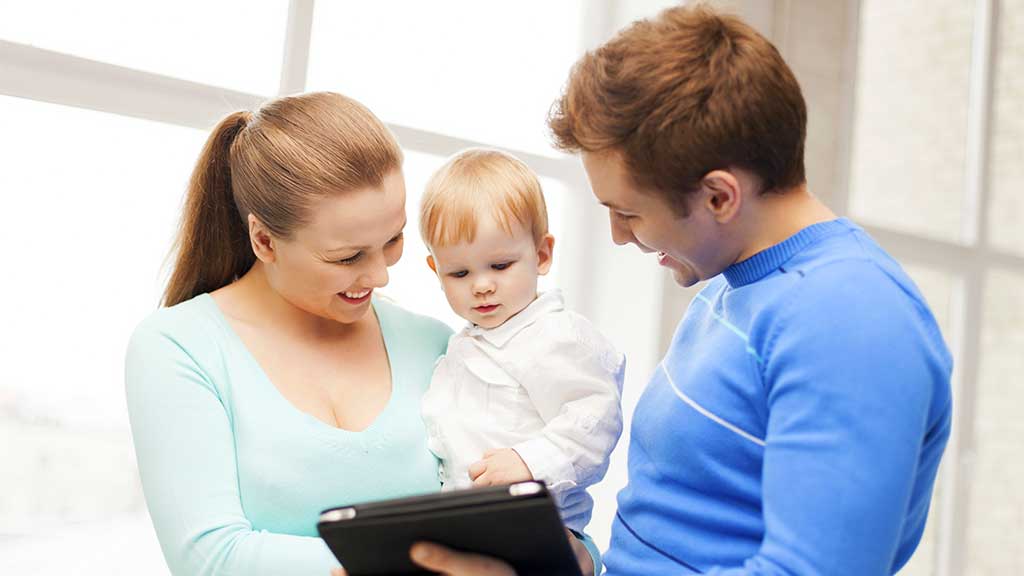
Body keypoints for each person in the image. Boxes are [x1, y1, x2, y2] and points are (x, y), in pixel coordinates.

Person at [399, 5, 953, 576]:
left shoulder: (851, 320)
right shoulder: (734, 287)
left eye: (628, 213)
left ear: (719, 197)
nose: (618, 236)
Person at [125, 92, 597, 575]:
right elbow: (209, 559)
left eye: (393, 241)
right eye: (348, 257)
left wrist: (574, 556)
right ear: (264, 240)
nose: (380, 276)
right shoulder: (180, 347)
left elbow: (542, 511)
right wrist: (421, 565)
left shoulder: (441, 346)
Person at [418, 148, 625, 532]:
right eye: (459, 273)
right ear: (436, 270)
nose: (481, 285)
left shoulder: (555, 336)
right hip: (467, 525)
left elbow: (596, 415)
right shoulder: (460, 347)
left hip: (537, 529)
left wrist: (532, 462)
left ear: (542, 255)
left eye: (500, 266)